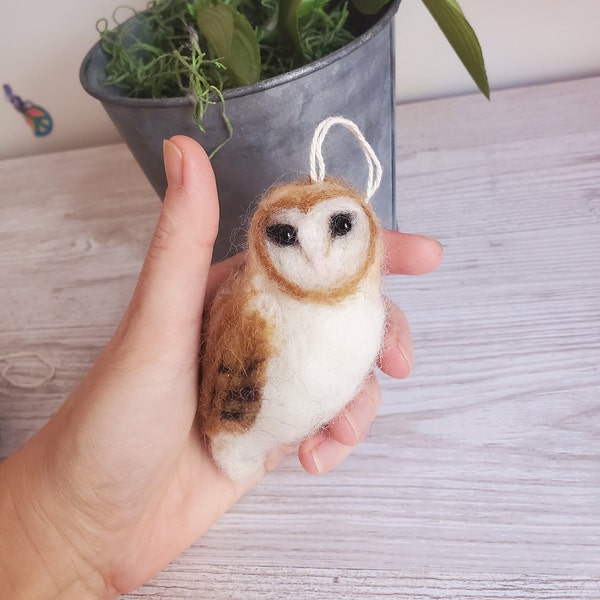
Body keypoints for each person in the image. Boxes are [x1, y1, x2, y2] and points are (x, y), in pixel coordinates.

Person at [0, 136, 443, 597]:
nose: (319, 257)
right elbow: (232, 393)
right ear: (265, 241)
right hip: (234, 434)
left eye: (341, 226)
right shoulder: (255, 310)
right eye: (286, 235)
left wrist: (55, 543)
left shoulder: (363, 303)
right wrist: (58, 536)